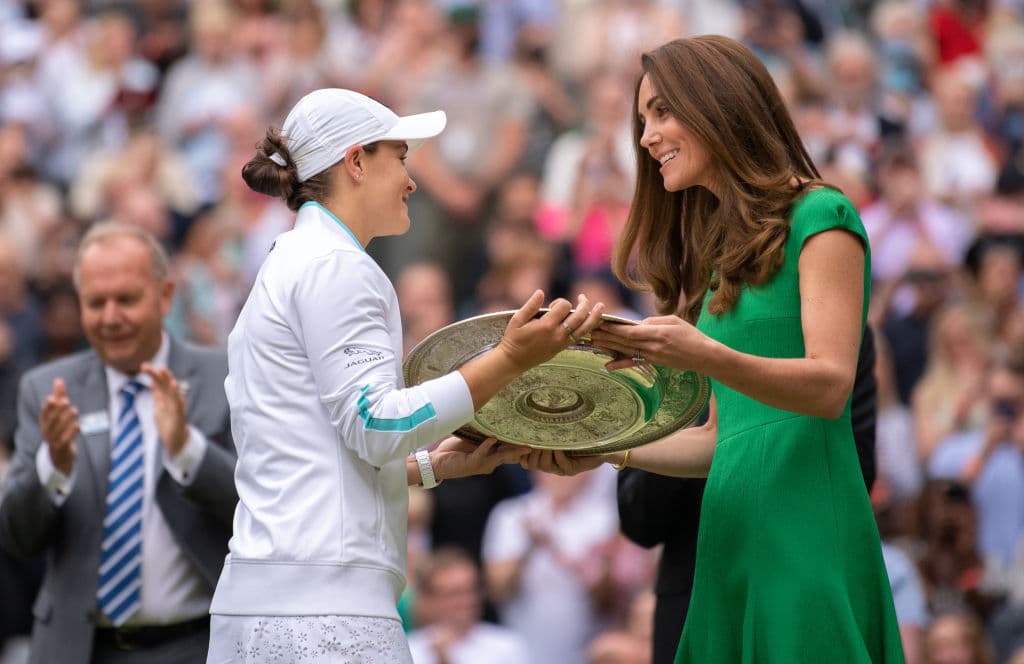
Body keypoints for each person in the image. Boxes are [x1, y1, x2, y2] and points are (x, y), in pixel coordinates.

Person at [526, 36, 905, 662]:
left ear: (720, 104)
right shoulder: (718, 262)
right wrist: (597, 445)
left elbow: (831, 384)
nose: (647, 137)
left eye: (663, 112)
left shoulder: (822, 214)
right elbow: (717, 441)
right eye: (643, 119)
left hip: (804, 529)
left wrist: (700, 353)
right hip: (729, 538)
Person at [207, 88, 605, 663]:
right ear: (356, 161)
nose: (411, 180)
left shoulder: (291, 260)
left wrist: (429, 465)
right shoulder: (337, 267)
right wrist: (511, 359)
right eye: (400, 156)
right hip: (322, 617)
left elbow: (315, 443)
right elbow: (376, 426)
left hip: (273, 604)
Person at [0, 222, 237, 664]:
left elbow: (254, 509)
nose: (111, 317)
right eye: (95, 303)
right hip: (78, 650)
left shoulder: (222, 377)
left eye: (126, 299)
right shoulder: (48, 390)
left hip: (199, 646)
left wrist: (187, 449)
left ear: (165, 296)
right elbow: (18, 537)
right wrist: (54, 466)